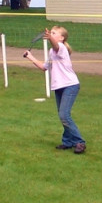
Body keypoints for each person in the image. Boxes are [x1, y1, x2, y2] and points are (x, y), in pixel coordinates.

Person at [24, 26, 86, 154]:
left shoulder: (61, 48)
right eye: (50, 32)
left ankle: (80, 142)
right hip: (59, 87)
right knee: (62, 115)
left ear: (62, 38)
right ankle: (68, 142)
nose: (50, 34)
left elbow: (56, 45)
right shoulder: (52, 52)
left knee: (64, 115)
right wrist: (30, 57)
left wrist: (50, 37)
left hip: (70, 85)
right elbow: (44, 67)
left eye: (54, 33)